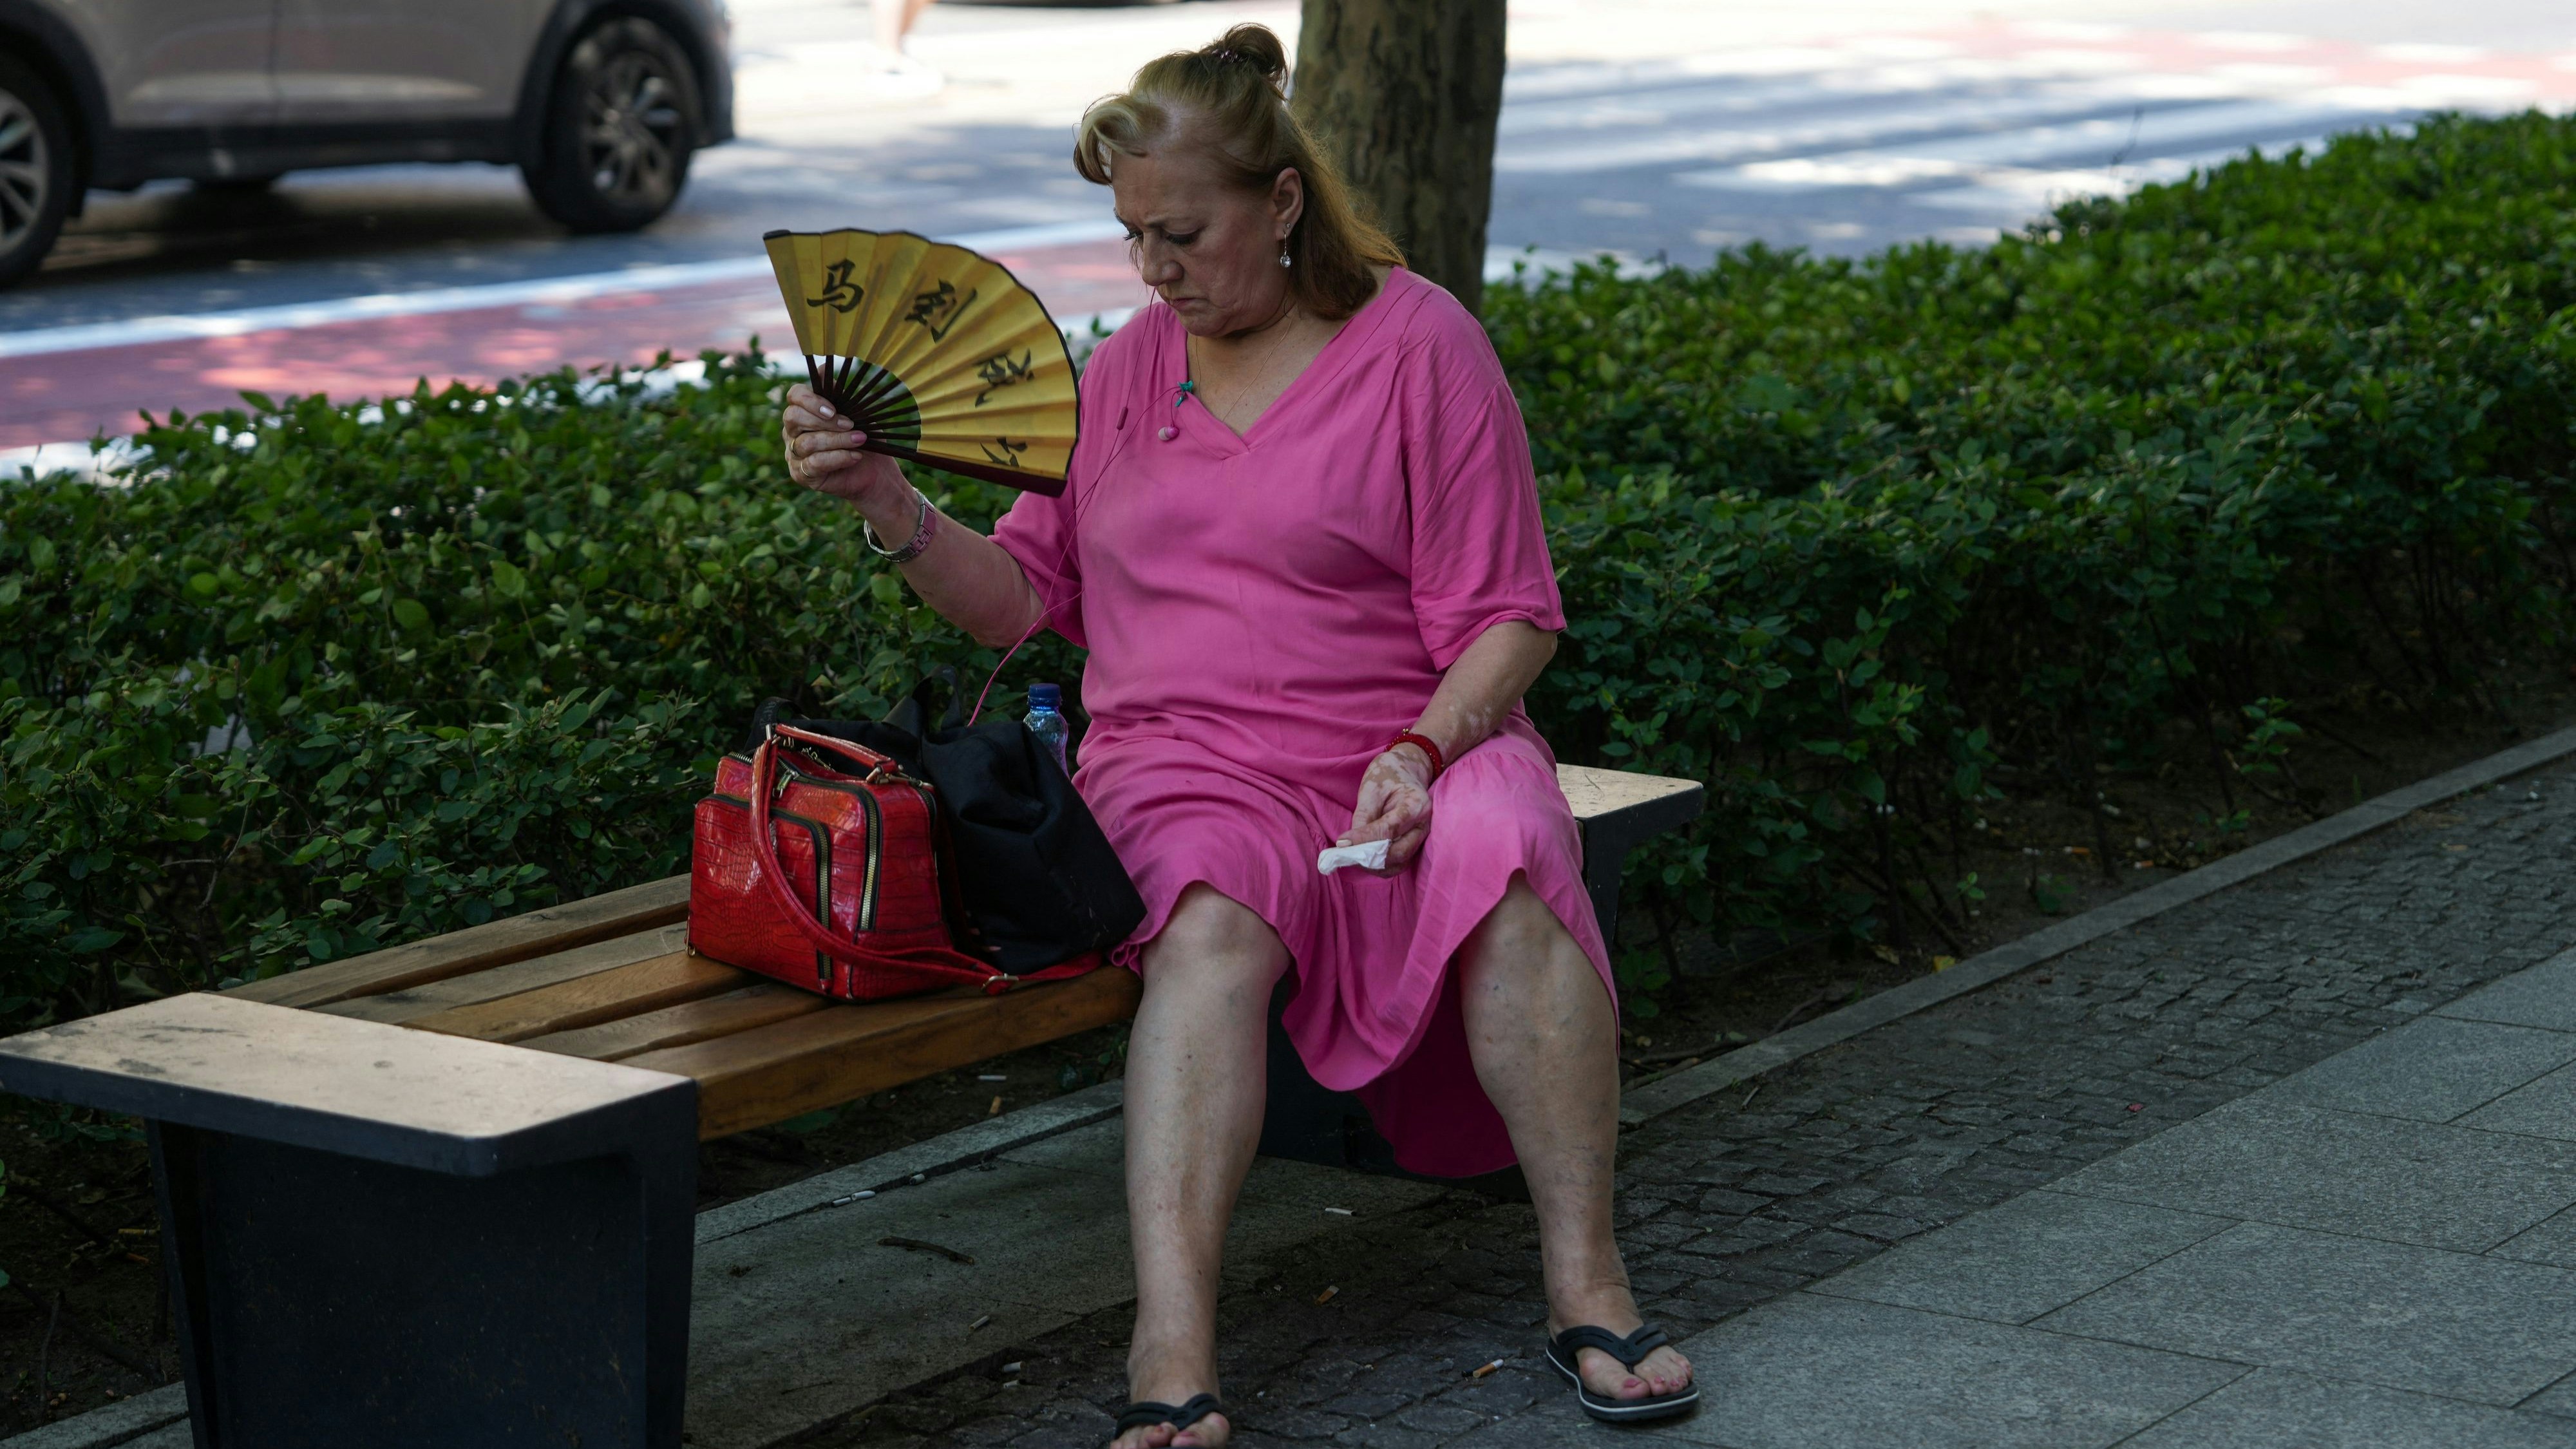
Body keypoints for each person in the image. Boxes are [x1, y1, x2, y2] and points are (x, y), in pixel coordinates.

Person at [779, 23, 1697, 1447]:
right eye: (1133, 235)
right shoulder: (1122, 372)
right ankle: (1173, 1357)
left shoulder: (1421, 343)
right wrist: (888, 507)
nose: (1153, 268)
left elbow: (1511, 617)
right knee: (1207, 922)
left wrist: (1425, 751)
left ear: (1279, 205)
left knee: (1513, 847)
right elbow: (1023, 598)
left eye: (1182, 233)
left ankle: (1588, 1282)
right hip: (1180, 761)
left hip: (1412, 736)